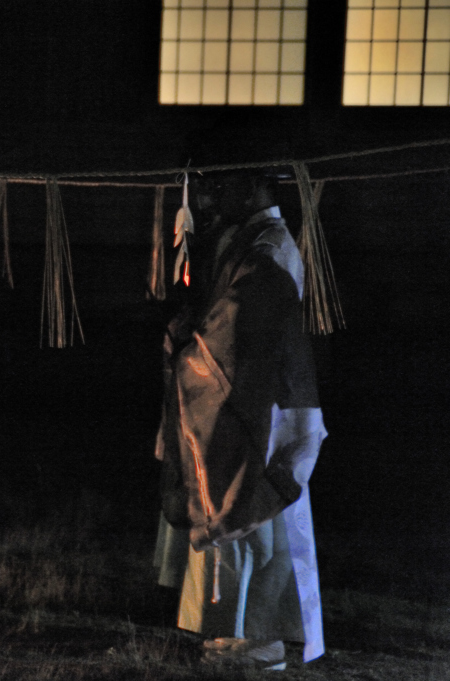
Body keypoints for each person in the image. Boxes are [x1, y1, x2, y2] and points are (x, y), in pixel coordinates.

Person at [152, 170, 327, 670]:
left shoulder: (269, 247)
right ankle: (236, 631)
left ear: (254, 188)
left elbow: (239, 323)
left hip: (256, 398)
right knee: (249, 521)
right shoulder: (252, 239)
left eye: (223, 188)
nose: (212, 198)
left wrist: (192, 344)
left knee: (250, 518)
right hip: (249, 395)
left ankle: (255, 636)